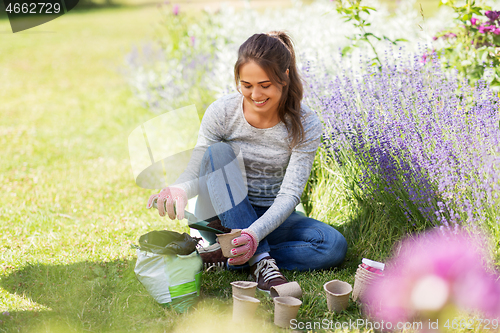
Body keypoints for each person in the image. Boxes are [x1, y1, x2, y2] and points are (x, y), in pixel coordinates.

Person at [147, 31, 347, 293]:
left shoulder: (305, 124)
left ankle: (229, 255)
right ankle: (261, 261)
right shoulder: (222, 112)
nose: (255, 95)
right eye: (247, 85)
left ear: (284, 77)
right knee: (218, 152)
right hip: (220, 214)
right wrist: (180, 189)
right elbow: (200, 163)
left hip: (268, 215)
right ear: (238, 80)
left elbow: (289, 194)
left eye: (265, 85)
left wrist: (254, 234)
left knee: (332, 246)